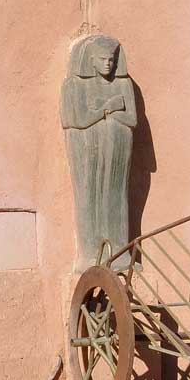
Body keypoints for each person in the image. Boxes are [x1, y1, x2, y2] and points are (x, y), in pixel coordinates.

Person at [60, 34, 136, 271]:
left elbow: (132, 119)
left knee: (116, 197)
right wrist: (109, 107)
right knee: (89, 198)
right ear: (91, 60)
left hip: (118, 151)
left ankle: (119, 253)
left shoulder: (123, 84)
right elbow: (79, 120)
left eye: (112, 60)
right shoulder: (74, 85)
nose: (108, 64)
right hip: (88, 151)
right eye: (103, 59)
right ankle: (91, 254)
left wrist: (101, 112)